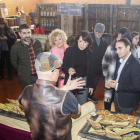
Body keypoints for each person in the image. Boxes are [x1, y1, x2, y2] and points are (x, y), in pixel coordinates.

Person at [18, 52, 85, 140]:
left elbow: (44, 97)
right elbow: (78, 111)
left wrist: (66, 87)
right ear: (54, 72)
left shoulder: (26, 91)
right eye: (59, 70)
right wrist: (66, 92)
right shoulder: (66, 97)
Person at [102, 27, 139, 111]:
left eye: (121, 38)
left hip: (125, 86)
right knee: (109, 100)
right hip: (112, 80)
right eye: (117, 37)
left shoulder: (133, 52)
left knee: (123, 109)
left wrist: (119, 85)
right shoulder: (112, 50)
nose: (118, 39)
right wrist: (107, 76)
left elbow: (133, 69)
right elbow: (105, 63)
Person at [62, 30, 94, 105]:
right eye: (80, 41)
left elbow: (91, 70)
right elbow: (64, 66)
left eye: (85, 42)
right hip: (71, 79)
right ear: (77, 41)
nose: (82, 44)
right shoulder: (69, 50)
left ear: (88, 43)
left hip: (83, 80)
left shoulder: (90, 53)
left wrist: (91, 86)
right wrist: (69, 69)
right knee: (68, 103)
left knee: (82, 104)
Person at [10, 24, 43, 89]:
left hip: (39, 76)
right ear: (19, 34)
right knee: (29, 96)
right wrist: (22, 70)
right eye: (24, 33)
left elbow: (42, 57)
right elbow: (14, 63)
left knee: (39, 96)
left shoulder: (38, 43)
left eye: (28, 32)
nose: (27, 35)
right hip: (26, 77)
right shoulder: (15, 47)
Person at [88, 23, 107, 103]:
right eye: (97, 32)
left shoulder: (104, 42)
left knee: (95, 82)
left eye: (101, 33)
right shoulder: (89, 40)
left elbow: (104, 55)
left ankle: (90, 96)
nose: (99, 34)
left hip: (98, 67)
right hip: (89, 66)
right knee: (87, 83)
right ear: (94, 30)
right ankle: (82, 97)